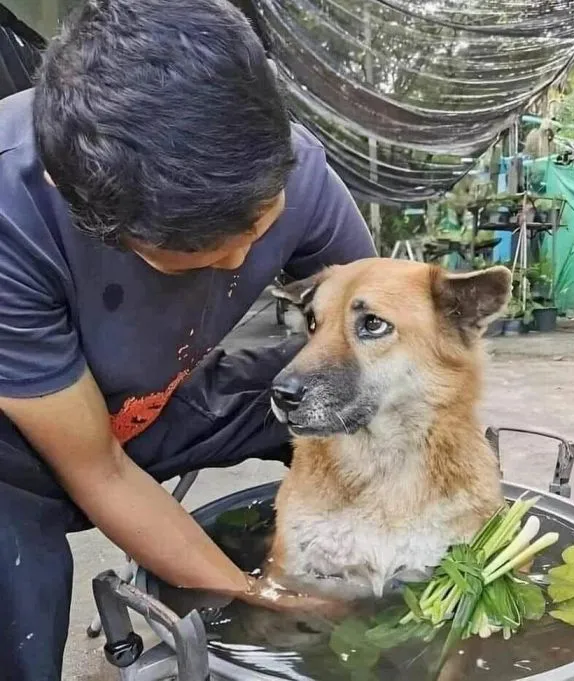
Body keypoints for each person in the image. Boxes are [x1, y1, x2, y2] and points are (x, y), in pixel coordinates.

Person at [0, 0, 376, 679]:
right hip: (23, 446)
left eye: (261, 228)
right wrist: (261, 593)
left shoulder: (296, 168)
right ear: (80, 203)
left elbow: (376, 350)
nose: (241, 266)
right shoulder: (13, 213)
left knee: (342, 390)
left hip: (152, 398)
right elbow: (99, 470)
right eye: (197, 258)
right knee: (17, 618)